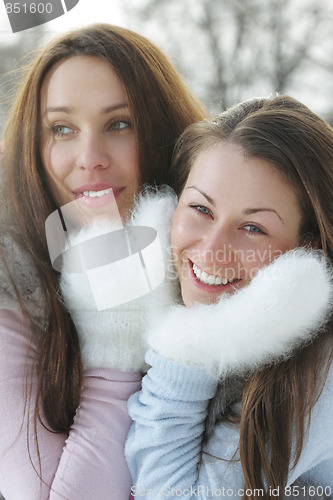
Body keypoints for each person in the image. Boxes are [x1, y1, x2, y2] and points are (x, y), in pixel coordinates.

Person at [0, 23, 208, 499]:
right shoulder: (13, 278)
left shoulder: (221, 264)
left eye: (119, 123)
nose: (89, 158)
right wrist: (114, 346)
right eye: (62, 129)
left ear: (160, 129)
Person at [125, 95, 333, 498]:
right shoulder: (155, 306)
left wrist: (186, 347)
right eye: (201, 209)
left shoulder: (320, 369)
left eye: (253, 228)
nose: (210, 250)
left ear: (305, 252)